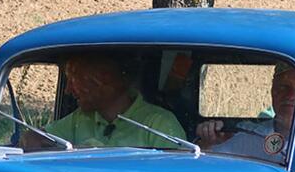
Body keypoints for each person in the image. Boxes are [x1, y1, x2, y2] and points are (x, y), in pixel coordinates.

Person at [197, 63, 295, 162]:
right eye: (283, 88)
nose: (290, 96)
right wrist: (209, 140)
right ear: (272, 92)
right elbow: (206, 163)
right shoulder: (251, 133)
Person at [27, 53, 185, 149]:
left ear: (105, 80)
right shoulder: (80, 118)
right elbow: (31, 139)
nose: (68, 90)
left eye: (75, 80)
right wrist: (65, 152)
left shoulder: (159, 124)